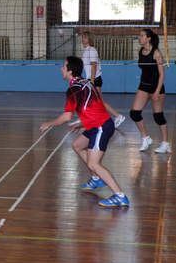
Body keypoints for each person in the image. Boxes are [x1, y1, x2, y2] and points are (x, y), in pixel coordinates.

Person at [40, 56, 129, 208]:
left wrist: (49, 124)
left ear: (70, 71)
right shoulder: (86, 82)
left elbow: (66, 117)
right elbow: (96, 107)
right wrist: (81, 123)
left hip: (101, 127)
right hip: (97, 124)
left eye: (64, 67)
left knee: (94, 164)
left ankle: (120, 195)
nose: (61, 69)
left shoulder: (73, 90)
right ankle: (96, 179)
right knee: (77, 145)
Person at [129, 29, 171, 153]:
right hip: (143, 86)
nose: (139, 38)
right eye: (139, 36)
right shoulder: (140, 51)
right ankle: (146, 138)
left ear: (149, 38)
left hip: (156, 87)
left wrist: (157, 91)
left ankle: (165, 143)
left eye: (142, 36)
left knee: (158, 116)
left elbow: (162, 74)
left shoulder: (156, 53)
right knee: (134, 113)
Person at [80, 31, 125, 128]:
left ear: (89, 39)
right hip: (91, 79)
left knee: (99, 101)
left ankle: (117, 116)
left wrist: (92, 80)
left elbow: (94, 65)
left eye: (85, 37)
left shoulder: (91, 50)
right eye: (82, 37)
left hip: (94, 79)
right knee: (94, 101)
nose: (83, 39)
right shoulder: (87, 50)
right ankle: (98, 118)